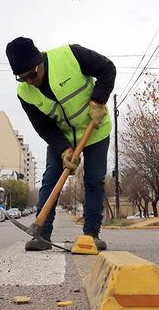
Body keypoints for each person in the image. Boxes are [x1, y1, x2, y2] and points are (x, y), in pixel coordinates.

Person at [6, 37, 115, 251]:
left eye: (32, 74)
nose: (29, 81)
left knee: (94, 180)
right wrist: (63, 149)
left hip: (95, 129)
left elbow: (107, 68)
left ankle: (92, 235)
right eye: (22, 78)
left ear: (40, 62)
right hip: (62, 136)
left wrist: (98, 101)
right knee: (50, 179)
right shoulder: (24, 93)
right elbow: (44, 126)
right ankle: (41, 233)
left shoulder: (70, 55)